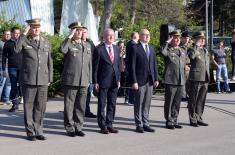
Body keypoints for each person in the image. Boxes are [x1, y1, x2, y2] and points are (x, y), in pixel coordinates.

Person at [15, 18, 53, 141]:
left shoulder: (46, 42)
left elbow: (49, 62)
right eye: (33, 27)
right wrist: (23, 34)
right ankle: (30, 132)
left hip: (43, 79)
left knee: (40, 106)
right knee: (28, 106)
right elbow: (16, 49)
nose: (36, 29)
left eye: (38, 27)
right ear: (30, 29)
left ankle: (39, 130)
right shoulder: (25, 41)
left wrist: (50, 78)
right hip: (29, 79)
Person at [60, 22, 92, 137]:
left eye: (80, 30)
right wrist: (69, 36)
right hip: (71, 80)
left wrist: (90, 80)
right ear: (72, 31)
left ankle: (78, 127)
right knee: (69, 105)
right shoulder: (69, 44)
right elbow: (62, 50)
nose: (79, 32)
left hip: (83, 80)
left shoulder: (87, 45)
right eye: (76, 30)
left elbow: (89, 64)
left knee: (81, 105)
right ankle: (69, 128)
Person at [129, 29, 159, 133]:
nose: (147, 37)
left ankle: (146, 123)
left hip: (150, 80)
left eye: (148, 35)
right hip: (139, 81)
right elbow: (131, 66)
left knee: (147, 103)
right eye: (145, 35)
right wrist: (134, 81)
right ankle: (139, 124)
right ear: (140, 36)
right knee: (138, 103)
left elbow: (154, 64)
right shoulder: (135, 48)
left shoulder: (151, 48)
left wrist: (156, 78)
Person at [93, 28, 120, 134]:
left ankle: (110, 124)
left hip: (114, 81)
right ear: (104, 37)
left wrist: (118, 79)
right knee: (102, 104)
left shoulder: (116, 48)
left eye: (112, 35)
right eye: (109, 35)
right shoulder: (99, 49)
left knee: (112, 104)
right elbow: (95, 67)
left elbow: (117, 65)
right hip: (103, 81)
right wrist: (95, 82)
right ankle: (102, 125)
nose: (111, 37)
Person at [160, 30, 186, 129]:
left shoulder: (182, 50)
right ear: (171, 38)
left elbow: (186, 62)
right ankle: (169, 121)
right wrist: (167, 41)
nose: (178, 39)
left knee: (177, 102)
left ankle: (175, 120)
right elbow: (162, 51)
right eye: (175, 37)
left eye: (178, 37)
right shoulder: (168, 50)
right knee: (169, 102)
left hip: (181, 80)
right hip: (171, 80)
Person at [187, 31, 210, 127]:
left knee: (201, 100)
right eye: (201, 38)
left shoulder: (204, 50)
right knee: (193, 99)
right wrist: (196, 45)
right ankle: (193, 119)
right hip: (195, 78)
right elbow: (191, 57)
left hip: (205, 78)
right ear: (196, 39)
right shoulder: (192, 49)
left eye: (203, 38)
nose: (203, 40)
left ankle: (199, 117)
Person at [3, 26, 21, 112]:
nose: (17, 34)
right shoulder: (7, 44)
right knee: (13, 86)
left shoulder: (23, 42)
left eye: (18, 33)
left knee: (22, 86)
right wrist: (4, 69)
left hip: (23, 68)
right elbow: (3, 57)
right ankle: (15, 105)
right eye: (15, 33)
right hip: (12, 68)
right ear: (12, 33)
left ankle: (26, 104)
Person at [81, 26, 96, 118]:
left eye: (85, 32)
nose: (83, 34)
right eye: (82, 32)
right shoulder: (75, 42)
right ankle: (78, 111)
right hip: (80, 72)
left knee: (88, 93)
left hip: (89, 72)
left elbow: (95, 57)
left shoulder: (90, 43)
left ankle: (86, 110)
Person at [125, 32, 139, 105]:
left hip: (129, 66)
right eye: (138, 35)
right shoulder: (133, 44)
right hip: (131, 66)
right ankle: (131, 100)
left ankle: (129, 99)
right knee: (132, 83)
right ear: (135, 36)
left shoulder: (129, 43)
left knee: (130, 83)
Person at [0, 30, 11, 105]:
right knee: (1, 83)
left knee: (8, 83)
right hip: (2, 65)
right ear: (3, 35)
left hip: (10, 66)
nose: (7, 35)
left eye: (9, 34)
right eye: (6, 34)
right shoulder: (0, 43)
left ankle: (6, 99)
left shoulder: (12, 43)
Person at [180, 31, 191, 101]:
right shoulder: (179, 46)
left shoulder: (191, 46)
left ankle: (188, 95)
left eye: (187, 38)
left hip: (189, 67)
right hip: (181, 66)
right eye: (185, 38)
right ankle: (182, 95)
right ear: (182, 38)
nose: (186, 39)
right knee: (182, 82)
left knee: (189, 83)